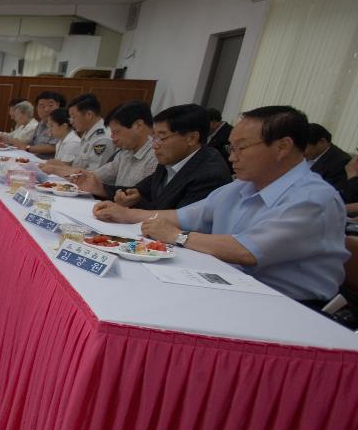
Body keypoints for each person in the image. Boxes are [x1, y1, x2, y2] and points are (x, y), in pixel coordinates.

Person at [103, 106, 347, 305]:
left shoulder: (314, 200)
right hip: (232, 289)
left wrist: (179, 237)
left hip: (289, 306)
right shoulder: (241, 187)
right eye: (232, 147)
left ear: (282, 147)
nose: (231, 157)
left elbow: (247, 251)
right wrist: (126, 214)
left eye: (241, 148)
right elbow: (182, 216)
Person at [92, 103, 232, 217]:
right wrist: (126, 197)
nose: (154, 145)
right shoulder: (170, 160)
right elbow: (139, 191)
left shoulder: (209, 173)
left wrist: (128, 212)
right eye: (154, 137)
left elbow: (179, 219)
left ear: (191, 138)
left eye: (162, 137)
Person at [71, 101, 158, 198]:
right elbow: (99, 175)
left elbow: (139, 197)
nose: (113, 138)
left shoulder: (156, 156)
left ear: (138, 126)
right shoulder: (125, 152)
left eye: (116, 132)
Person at [40, 93, 113, 176]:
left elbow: (93, 176)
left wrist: (58, 169)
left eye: (74, 117)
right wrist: (59, 166)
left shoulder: (102, 139)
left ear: (88, 115)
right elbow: (77, 167)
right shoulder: (87, 133)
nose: (71, 121)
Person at [303, 123, 351, 191]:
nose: (299, 151)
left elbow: (326, 193)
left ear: (322, 142)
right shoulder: (302, 155)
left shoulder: (340, 163)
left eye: (304, 147)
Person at [24, 91, 67, 158]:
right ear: (37, 108)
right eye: (42, 106)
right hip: (34, 158)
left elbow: (54, 147)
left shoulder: (62, 124)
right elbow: (32, 142)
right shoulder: (41, 123)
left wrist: (27, 148)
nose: (46, 109)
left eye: (50, 105)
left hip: (49, 162)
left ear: (58, 105)